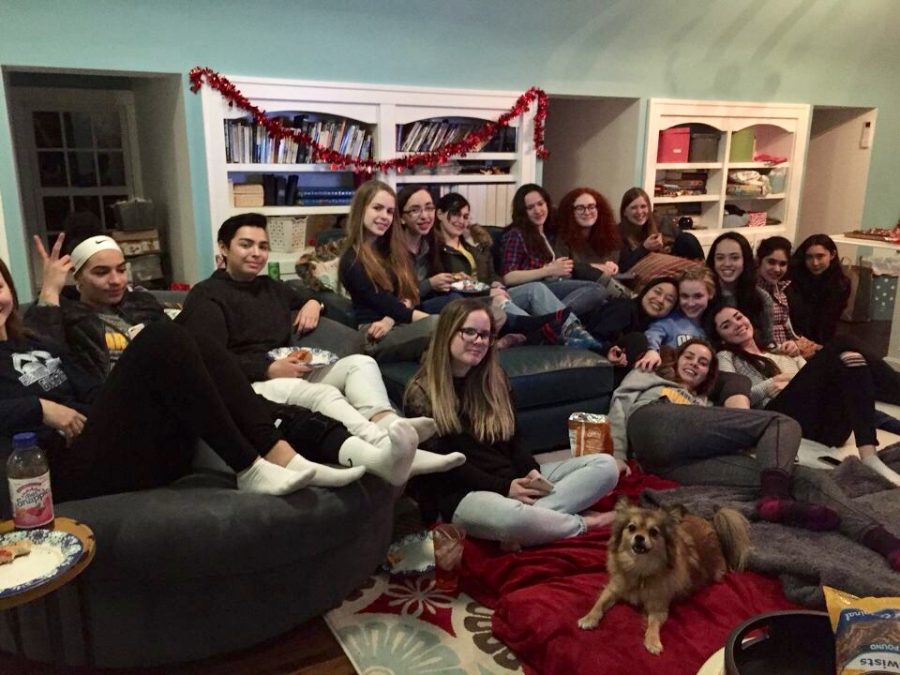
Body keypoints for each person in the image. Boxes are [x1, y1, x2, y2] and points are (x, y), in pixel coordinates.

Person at [0, 255, 375, 499]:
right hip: (59, 471)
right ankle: (249, 465)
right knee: (160, 337)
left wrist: (129, 395)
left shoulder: (34, 342)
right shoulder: (69, 320)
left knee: (191, 341)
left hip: (107, 440)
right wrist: (39, 407)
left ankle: (281, 455)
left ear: (10, 292)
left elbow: (93, 389)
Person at [176, 212, 464, 486]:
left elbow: (306, 294)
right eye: (246, 245)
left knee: (361, 364)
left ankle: (390, 424)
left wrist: (314, 303)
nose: (256, 253)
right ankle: (388, 447)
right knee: (325, 393)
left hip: (289, 371)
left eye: (263, 246)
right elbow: (208, 362)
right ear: (224, 248)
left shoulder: (270, 287)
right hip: (249, 386)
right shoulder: (207, 296)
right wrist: (267, 368)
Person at [609, 338, 900, 571]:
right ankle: (775, 498)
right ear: (676, 360)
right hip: (651, 423)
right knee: (781, 422)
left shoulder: (706, 404)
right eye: (689, 357)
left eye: (702, 363)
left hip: (675, 465)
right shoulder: (650, 377)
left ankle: (882, 540)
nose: (694, 365)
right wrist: (619, 453)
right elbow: (619, 404)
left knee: (799, 476)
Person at [403, 298, 622, 547]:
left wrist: (530, 470)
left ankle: (537, 522)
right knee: (511, 519)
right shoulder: (421, 392)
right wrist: (504, 487)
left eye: (485, 335)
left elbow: (514, 436)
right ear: (447, 333)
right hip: (463, 492)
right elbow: (444, 467)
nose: (479, 341)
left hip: (512, 476)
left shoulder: (494, 379)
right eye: (469, 332)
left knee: (606, 466)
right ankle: (583, 523)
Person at [710, 304, 900, 486]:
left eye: (738, 317)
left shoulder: (779, 351)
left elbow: (814, 378)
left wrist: (795, 361)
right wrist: (770, 385)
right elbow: (735, 398)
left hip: (828, 428)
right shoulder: (726, 356)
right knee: (843, 342)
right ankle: (871, 458)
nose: (737, 324)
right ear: (722, 338)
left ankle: (868, 454)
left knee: (850, 359)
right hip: (780, 416)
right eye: (727, 325)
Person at [433, 191, 601, 349]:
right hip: (471, 301)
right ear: (439, 214)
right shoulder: (435, 248)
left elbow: (492, 275)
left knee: (535, 288)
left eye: (465, 216)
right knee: (502, 302)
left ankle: (575, 330)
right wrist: (489, 292)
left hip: (493, 292)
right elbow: (445, 285)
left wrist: (496, 284)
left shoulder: (474, 244)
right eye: (455, 214)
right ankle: (543, 334)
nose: (461, 221)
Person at [338, 180, 438, 363]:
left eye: (390, 211)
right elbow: (387, 303)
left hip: (395, 322)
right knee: (438, 324)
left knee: (471, 313)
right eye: (377, 208)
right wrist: (442, 322)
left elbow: (409, 294)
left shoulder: (391, 251)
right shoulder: (352, 260)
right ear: (361, 209)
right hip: (373, 335)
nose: (385, 216)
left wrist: (390, 320)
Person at [498, 183, 609, 316]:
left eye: (540, 204)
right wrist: (548, 270)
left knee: (601, 297)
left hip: (553, 284)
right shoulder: (516, 234)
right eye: (530, 207)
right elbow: (509, 277)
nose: (538, 210)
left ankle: (553, 318)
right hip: (529, 289)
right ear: (523, 212)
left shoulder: (550, 232)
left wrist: (595, 266)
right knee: (596, 289)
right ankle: (555, 321)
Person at [394, 185, 463, 313]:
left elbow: (440, 280)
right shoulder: (391, 249)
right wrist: (430, 284)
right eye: (415, 210)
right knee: (455, 302)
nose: (425, 216)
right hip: (404, 311)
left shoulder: (435, 242)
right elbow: (397, 296)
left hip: (429, 303)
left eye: (429, 208)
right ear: (402, 218)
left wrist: (454, 279)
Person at [635, 266, 715, 370]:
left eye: (698, 296)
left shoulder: (713, 325)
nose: (690, 303)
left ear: (710, 294)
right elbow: (653, 333)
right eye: (685, 296)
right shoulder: (670, 321)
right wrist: (652, 351)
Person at [706, 231, 774, 347]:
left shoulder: (761, 298)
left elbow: (767, 342)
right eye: (720, 258)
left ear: (745, 261)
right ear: (713, 262)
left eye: (734, 258)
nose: (727, 263)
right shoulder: (703, 296)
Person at [616, 187, 703, 272]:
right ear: (624, 212)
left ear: (649, 208)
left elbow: (682, 243)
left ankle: (704, 274)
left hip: (674, 266)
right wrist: (644, 248)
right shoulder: (618, 232)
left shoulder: (661, 221)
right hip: (648, 273)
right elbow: (622, 266)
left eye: (643, 207)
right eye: (633, 208)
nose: (639, 212)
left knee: (688, 238)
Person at [788, 234, 850, 344]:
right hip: (794, 339)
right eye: (809, 257)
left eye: (820, 256)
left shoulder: (840, 284)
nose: (815, 263)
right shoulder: (793, 281)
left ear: (832, 255)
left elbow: (829, 322)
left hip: (823, 341)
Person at [553, 187, 621, 277]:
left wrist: (613, 268)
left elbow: (612, 271)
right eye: (580, 208)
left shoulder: (610, 237)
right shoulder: (563, 239)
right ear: (570, 212)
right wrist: (592, 267)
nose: (587, 212)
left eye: (591, 207)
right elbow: (562, 270)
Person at [755, 236, 805, 356]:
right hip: (768, 355)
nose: (777, 269)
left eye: (782, 264)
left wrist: (795, 344)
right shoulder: (750, 293)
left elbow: (790, 330)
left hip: (790, 353)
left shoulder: (783, 290)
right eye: (771, 262)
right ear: (759, 261)